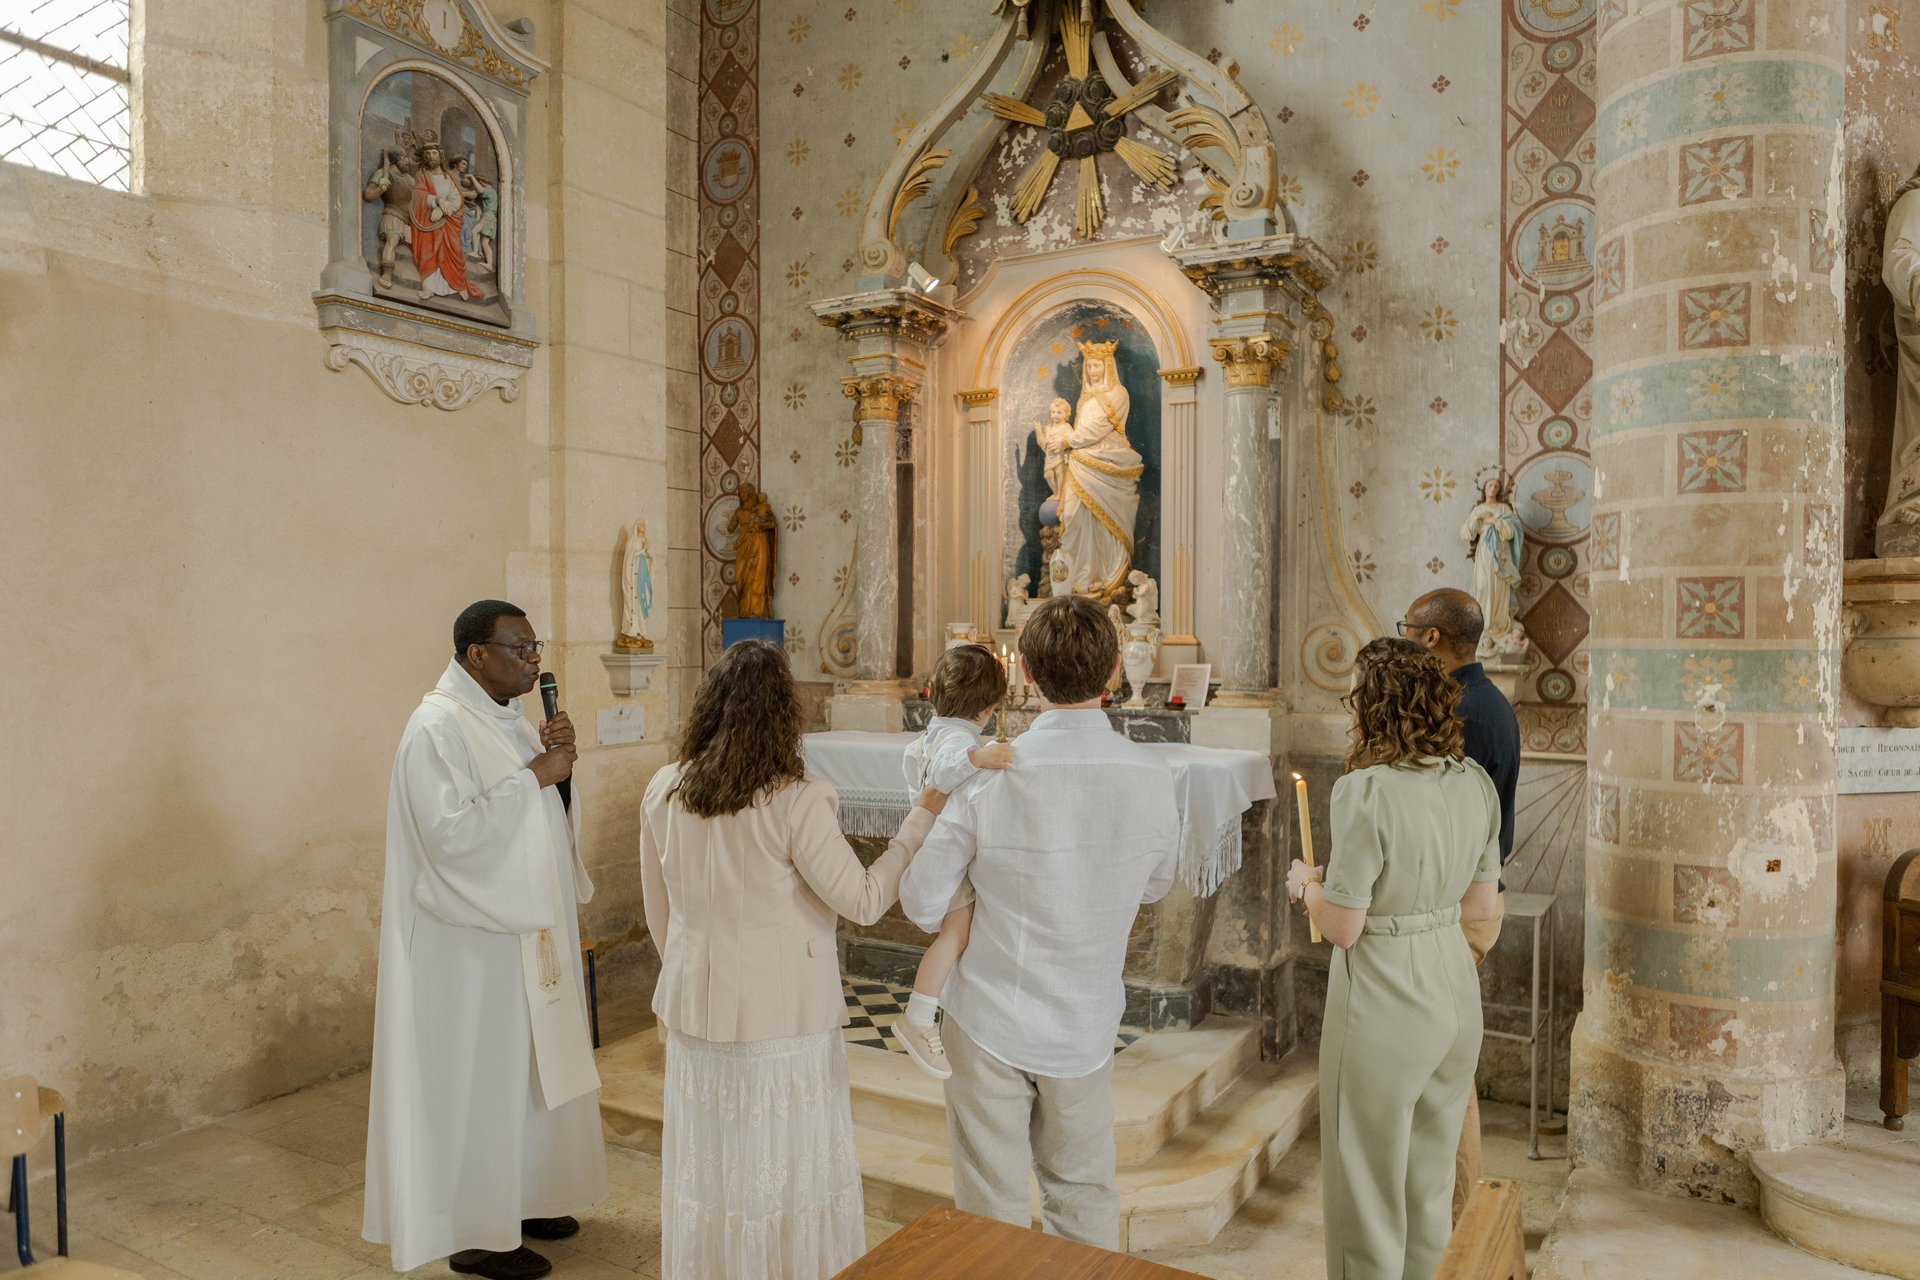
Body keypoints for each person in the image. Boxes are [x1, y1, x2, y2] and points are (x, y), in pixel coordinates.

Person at [639, 640, 946, 1280]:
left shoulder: (664, 789)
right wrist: (918, 821)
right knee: (780, 1172)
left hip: (696, 1013)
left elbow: (659, 912)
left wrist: (698, 976)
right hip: (781, 1023)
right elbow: (865, 900)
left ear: (710, 707)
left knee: (714, 1170)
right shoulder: (796, 798)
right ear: (784, 715)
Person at [899, 594, 1179, 1249]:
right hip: (1085, 1019)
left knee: (989, 1207)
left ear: (1025, 673)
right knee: (1082, 1196)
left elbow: (919, 901)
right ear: (1115, 670)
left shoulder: (987, 775)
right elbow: (1157, 883)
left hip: (988, 1015)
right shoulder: (1151, 775)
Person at [363, 601, 606, 1280]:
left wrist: (560, 775)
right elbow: (449, 836)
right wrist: (537, 776)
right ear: (477, 654)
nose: (535, 659)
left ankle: (524, 1198)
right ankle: (476, 1232)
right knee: (479, 1079)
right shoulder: (435, 728)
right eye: (520, 648)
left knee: (525, 1072)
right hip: (469, 946)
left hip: (523, 937)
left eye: (535, 647)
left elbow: (541, 812)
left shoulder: (508, 720)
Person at [1288, 637, 1502, 1280]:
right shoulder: (1475, 783)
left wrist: (1305, 887)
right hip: (1454, 991)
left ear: (1372, 706)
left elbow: (1344, 926)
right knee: (1427, 1188)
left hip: (1386, 998)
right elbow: (1479, 904)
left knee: (1366, 1193)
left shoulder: (1367, 791)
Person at [1401, 587, 1521, 1222]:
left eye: (1406, 627)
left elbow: (1447, 830)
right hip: (1467, 901)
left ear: (1430, 637)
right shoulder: (1481, 699)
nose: (1403, 636)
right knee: (1441, 1069)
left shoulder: (1464, 712)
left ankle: (1459, 1220)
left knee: (1444, 1075)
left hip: (1457, 908)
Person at [894, 645, 1015, 1079]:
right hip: (945, 856)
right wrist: (979, 757)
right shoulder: (958, 741)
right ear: (988, 708)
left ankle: (933, 1011)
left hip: (934, 848)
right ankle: (918, 1017)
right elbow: (946, 774)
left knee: (958, 936)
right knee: (955, 935)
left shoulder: (934, 733)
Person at [1058, 341, 1143, 597]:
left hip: (1109, 461)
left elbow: (1098, 427)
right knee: (1073, 517)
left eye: (1097, 366)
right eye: (1089, 366)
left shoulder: (1118, 393)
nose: (1093, 371)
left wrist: (1069, 440)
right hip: (1080, 462)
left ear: (1108, 367)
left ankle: (1108, 578)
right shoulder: (1085, 396)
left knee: (1107, 523)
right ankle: (1078, 577)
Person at [410, 141, 485, 302]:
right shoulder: (422, 175)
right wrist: (437, 201)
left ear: (440, 155)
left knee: (455, 251)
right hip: (428, 220)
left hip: (449, 220)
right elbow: (417, 195)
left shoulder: (449, 176)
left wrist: (444, 208)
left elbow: (456, 198)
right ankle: (429, 287)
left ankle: (458, 284)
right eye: (428, 154)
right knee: (430, 250)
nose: (431, 156)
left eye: (434, 153)